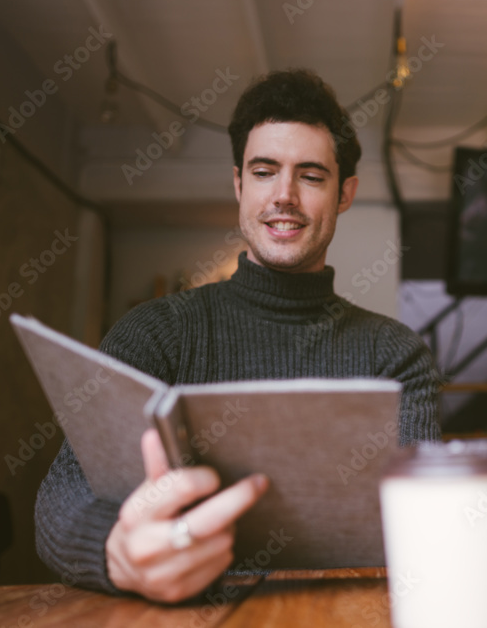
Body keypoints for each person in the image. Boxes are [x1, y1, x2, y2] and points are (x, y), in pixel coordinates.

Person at [35, 69, 441, 602]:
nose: (284, 196)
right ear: (238, 184)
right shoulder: (154, 333)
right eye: (265, 171)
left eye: (312, 176)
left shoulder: (396, 356)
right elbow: (63, 497)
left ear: (345, 194)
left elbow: (423, 525)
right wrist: (116, 551)